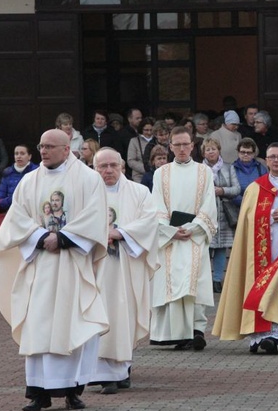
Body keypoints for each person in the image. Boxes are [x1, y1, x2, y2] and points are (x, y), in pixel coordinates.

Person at [0, 129, 109, 411]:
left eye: (50, 146)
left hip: (72, 264)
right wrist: (41, 237)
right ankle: (38, 394)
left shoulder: (89, 179)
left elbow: (96, 215)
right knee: (38, 326)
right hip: (39, 265)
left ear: (67, 149)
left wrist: (64, 238)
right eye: (41, 146)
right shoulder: (29, 181)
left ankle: (72, 391)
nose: (44, 151)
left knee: (72, 323)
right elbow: (16, 217)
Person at [213, 143, 278, 354]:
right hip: (262, 248)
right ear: (266, 160)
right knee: (261, 283)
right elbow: (247, 219)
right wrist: (271, 218)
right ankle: (263, 334)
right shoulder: (255, 188)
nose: (276, 160)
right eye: (272, 157)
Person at [91, 148, 158, 395]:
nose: (108, 171)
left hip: (126, 267)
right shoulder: (86, 193)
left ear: (122, 166)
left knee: (123, 316)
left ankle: (122, 371)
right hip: (94, 268)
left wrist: (119, 233)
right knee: (97, 316)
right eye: (102, 166)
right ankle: (102, 374)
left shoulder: (140, 192)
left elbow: (150, 222)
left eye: (113, 165)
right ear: (94, 168)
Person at [150, 126, 217, 351]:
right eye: (176, 144)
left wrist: (194, 227)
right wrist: (170, 230)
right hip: (170, 237)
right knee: (172, 282)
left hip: (194, 237)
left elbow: (210, 203)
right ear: (170, 147)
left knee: (193, 282)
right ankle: (175, 333)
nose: (181, 148)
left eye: (185, 144)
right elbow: (156, 204)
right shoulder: (162, 173)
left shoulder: (204, 172)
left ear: (192, 145)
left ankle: (196, 331)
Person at [202, 138, 240, 293]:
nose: (211, 152)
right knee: (204, 248)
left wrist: (222, 191)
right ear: (203, 152)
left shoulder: (228, 168)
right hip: (205, 213)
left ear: (219, 150)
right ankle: (204, 280)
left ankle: (217, 280)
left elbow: (236, 188)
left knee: (220, 249)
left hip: (224, 213)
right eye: (208, 149)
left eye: (213, 149)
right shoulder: (199, 168)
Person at [0, 144, 39, 211]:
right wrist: (14, 199)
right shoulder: (7, 173)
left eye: (22, 153)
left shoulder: (37, 172)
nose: (19, 156)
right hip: (11, 213)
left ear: (29, 156)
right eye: (16, 154)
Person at [231, 138, 268, 208]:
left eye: (249, 152)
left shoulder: (261, 168)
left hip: (257, 206)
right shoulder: (232, 169)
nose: (245, 154)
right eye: (242, 152)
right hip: (237, 208)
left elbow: (266, 188)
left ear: (254, 154)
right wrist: (246, 202)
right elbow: (231, 192)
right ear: (238, 153)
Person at [126, 117, 155, 183]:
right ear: (141, 129)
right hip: (139, 176)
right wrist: (146, 169)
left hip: (156, 175)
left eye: (151, 130)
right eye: (146, 130)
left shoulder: (156, 140)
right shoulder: (134, 141)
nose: (149, 132)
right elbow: (130, 161)